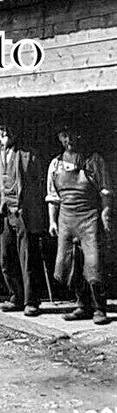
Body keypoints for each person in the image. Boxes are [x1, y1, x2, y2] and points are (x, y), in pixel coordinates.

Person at [47, 125, 114, 325]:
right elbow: (53, 197)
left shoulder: (93, 161)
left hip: (90, 218)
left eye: (73, 134)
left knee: (93, 264)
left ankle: (99, 309)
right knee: (68, 264)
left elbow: (105, 191)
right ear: (60, 138)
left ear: (81, 134)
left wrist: (105, 214)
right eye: (65, 136)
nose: (70, 140)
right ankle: (82, 305)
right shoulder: (56, 164)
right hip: (66, 219)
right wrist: (52, 221)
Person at [0, 117, 47, 316]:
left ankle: (32, 301)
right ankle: (16, 297)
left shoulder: (28, 155)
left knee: (27, 259)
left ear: (16, 131)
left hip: (24, 213)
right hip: (5, 213)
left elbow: (38, 186)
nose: (4, 133)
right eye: (0, 129)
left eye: (8, 128)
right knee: (6, 258)